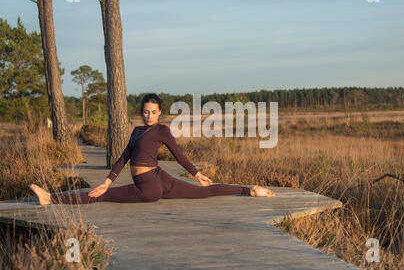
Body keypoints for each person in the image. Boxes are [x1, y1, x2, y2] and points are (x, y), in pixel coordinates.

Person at [29, 93, 276, 205]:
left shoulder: (162, 130)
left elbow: (178, 154)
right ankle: (249, 190)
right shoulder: (137, 131)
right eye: (146, 112)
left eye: (153, 112)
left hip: (150, 186)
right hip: (160, 180)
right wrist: (107, 180)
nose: (149, 115)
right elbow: (124, 157)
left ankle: (50, 198)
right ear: (142, 112)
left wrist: (197, 174)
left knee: (99, 197)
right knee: (204, 194)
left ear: (160, 113)